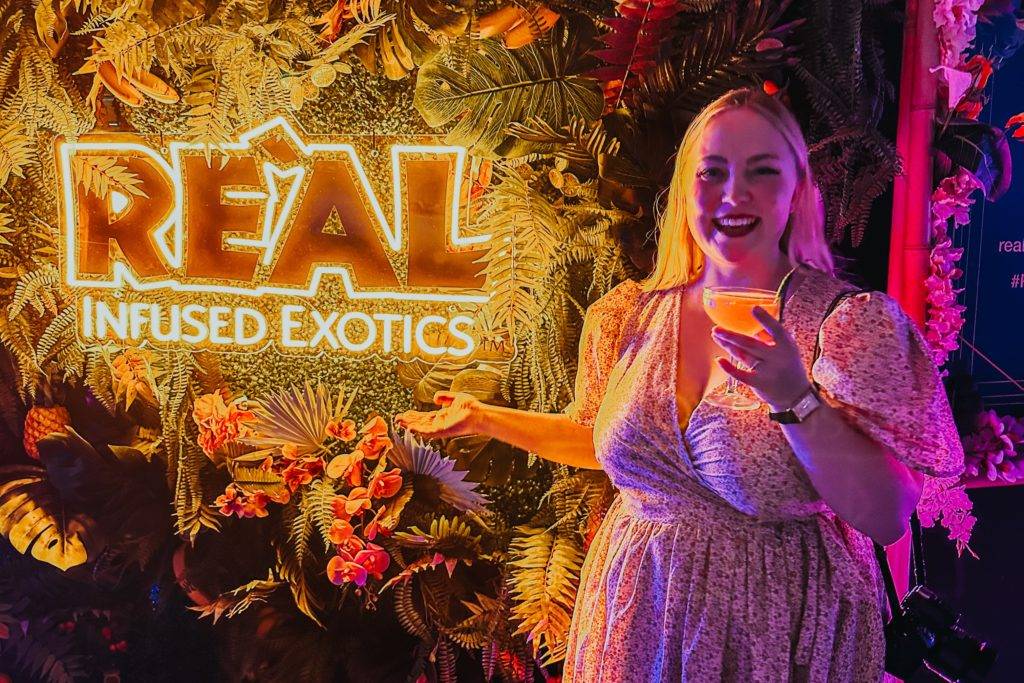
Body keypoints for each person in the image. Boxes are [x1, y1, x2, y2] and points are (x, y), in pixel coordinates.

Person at [395, 88, 964, 681]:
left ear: (797, 189)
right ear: (683, 191)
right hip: (640, 616)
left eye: (762, 171)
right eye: (712, 172)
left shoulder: (845, 327)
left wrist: (796, 399)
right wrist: (484, 418)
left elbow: (887, 515)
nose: (734, 194)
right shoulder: (628, 315)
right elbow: (599, 441)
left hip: (770, 634)